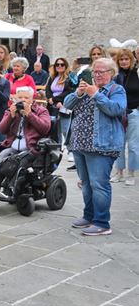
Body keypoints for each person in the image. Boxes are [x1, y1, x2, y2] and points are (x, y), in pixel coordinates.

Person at [64, 58, 126, 236]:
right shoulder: (86, 89)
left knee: (99, 184)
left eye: (101, 72)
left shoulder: (116, 90)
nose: (96, 75)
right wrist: (78, 93)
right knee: (85, 184)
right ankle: (89, 216)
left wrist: (96, 94)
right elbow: (67, 105)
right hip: (79, 143)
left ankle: (102, 223)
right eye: (95, 72)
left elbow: (116, 109)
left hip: (102, 146)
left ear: (111, 74)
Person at [0, 86, 52, 199]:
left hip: (32, 147)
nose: (23, 100)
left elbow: (45, 128)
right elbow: (1, 129)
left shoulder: (41, 111)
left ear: (32, 99)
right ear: (15, 99)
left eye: (26, 97)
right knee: (3, 155)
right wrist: (11, 116)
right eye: (20, 97)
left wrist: (29, 114)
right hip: (13, 145)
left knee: (20, 160)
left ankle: (10, 189)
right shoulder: (11, 110)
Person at [112, 48, 138, 186]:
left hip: (134, 112)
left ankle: (131, 173)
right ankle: (119, 172)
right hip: (119, 113)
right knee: (119, 144)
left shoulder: (136, 74)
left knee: (133, 146)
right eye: (121, 59)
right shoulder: (116, 75)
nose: (123, 61)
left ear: (131, 60)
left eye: (126, 59)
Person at [45, 57, 76, 152]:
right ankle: (57, 149)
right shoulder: (52, 77)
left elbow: (69, 92)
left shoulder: (70, 77)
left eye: (62, 64)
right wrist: (50, 98)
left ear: (65, 66)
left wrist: (55, 99)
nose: (59, 66)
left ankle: (72, 151)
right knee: (55, 129)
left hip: (64, 106)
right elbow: (48, 90)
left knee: (66, 129)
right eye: (57, 64)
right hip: (53, 107)